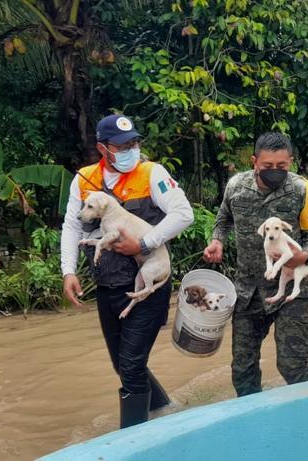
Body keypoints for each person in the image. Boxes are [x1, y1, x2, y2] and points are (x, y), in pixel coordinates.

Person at [60, 114, 194, 428]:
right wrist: (68, 270)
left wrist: (144, 242)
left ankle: (131, 441)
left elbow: (183, 213)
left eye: (133, 143)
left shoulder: (151, 173)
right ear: (102, 148)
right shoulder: (85, 180)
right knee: (122, 364)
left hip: (149, 282)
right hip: (108, 286)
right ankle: (163, 410)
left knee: (131, 366)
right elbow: (71, 225)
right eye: (121, 145)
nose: (130, 149)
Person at [202, 132, 308, 397]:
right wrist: (217, 241)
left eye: (282, 166)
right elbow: (223, 220)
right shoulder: (236, 186)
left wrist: (303, 256)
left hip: (291, 290)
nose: (275, 172)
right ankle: (254, 425)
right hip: (247, 292)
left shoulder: (301, 189)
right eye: (268, 166)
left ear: (290, 161)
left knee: (293, 366)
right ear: (254, 161)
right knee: (242, 371)